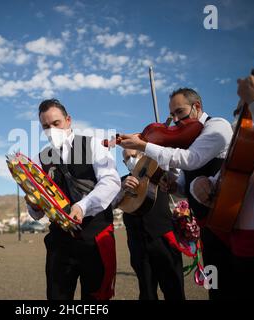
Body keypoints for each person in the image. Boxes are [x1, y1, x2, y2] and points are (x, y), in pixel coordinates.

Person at [118, 88, 234, 299]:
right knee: (215, 287)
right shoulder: (189, 138)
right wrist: (175, 186)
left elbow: (191, 159)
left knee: (232, 284)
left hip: (227, 225)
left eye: (180, 112)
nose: (176, 122)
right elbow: (185, 183)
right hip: (207, 227)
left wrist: (145, 145)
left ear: (197, 107)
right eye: (172, 116)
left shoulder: (218, 126)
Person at [191, 75, 254, 299]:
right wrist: (199, 185)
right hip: (241, 259)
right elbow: (216, 181)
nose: (242, 118)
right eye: (239, 113)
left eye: (249, 109)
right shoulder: (242, 154)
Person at [26, 99, 120, 300]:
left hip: (94, 237)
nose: (51, 130)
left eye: (56, 123)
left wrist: (82, 206)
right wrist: (33, 204)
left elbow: (111, 181)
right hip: (60, 243)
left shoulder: (93, 144)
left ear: (68, 121)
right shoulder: (39, 159)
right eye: (45, 126)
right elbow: (36, 213)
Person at [114, 148, 185, 300]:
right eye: (127, 158)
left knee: (174, 290)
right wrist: (121, 188)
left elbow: (175, 167)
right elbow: (110, 204)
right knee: (146, 292)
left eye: (134, 155)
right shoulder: (121, 181)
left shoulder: (160, 173)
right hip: (137, 243)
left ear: (143, 156)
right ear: (123, 163)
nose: (131, 160)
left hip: (164, 239)